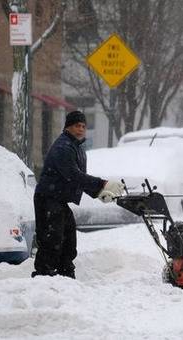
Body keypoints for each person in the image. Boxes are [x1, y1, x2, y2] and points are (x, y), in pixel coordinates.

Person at [32, 110, 124, 279]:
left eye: (83, 126)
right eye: (76, 125)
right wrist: (102, 184)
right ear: (68, 127)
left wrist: (99, 193)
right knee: (52, 241)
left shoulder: (77, 147)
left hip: (59, 201)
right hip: (48, 199)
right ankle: (44, 277)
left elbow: (78, 180)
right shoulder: (63, 147)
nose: (81, 129)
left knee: (68, 241)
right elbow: (73, 175)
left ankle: (66, 276)